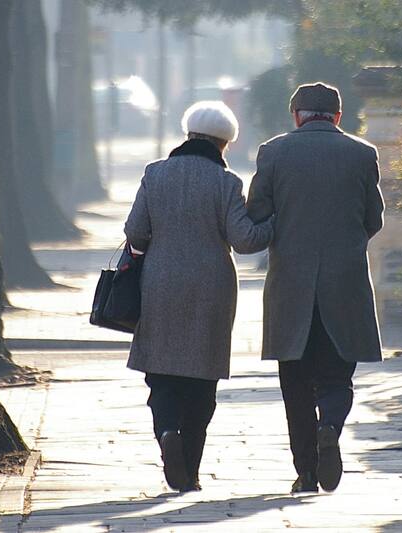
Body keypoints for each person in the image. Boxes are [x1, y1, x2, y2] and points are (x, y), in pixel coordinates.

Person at [124, 101, 273, 492]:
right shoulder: (226, 183)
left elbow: (136, 232)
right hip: (211, 290)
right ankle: (189, 471)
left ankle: (167, 433)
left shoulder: (154, 175)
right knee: (202, 384)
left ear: (188, 135)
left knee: (162, 377)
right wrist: (278, 221)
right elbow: (244, 240)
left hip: (159, 286)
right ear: (223, 144)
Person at [247, 82, 384, 493]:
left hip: (291, 288)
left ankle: (305, 473)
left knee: (295, 385)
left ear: (296, 115)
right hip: (344, 286)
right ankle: (330, 426)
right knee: (338, 379)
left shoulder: (273, 152)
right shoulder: (362, 154)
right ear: (338, 116)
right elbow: (373, 219)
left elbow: (256, 215)